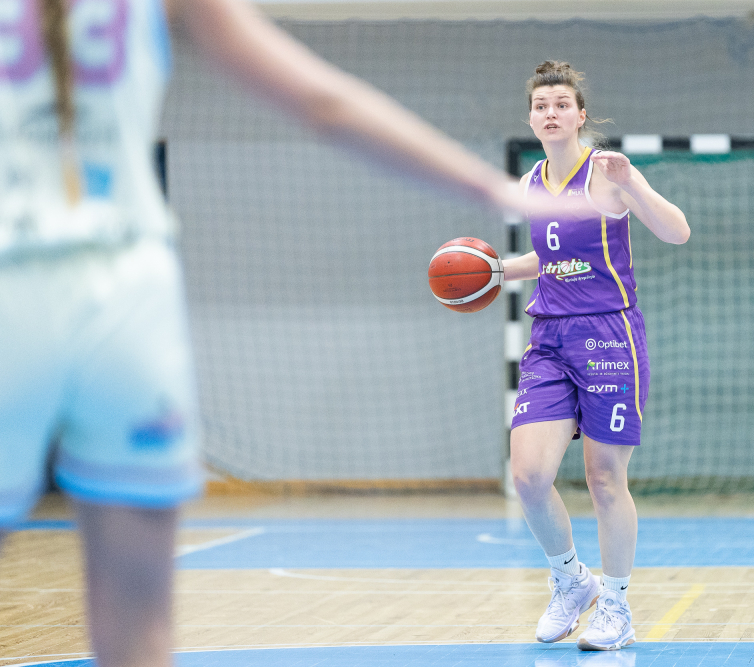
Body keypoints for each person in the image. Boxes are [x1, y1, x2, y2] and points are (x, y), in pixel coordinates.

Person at [0, 0, 551, 664]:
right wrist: (497, 189)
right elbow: (325, 104)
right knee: (137, 631)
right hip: (126, 296)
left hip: (15, 292)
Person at [503, 61, 690, 651]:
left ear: (580, 115)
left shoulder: (607, 174)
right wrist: (497, 271)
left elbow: (677, 231)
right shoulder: (530, 183)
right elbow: (552, 258)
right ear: (531, 119)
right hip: (549, 338)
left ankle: (616, 605)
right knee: (528, 475)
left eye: (562, 103)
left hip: (610, 335)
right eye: (541, 106)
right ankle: (570, 580)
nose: (551, 113)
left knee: (604, 478)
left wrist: (635, 184)